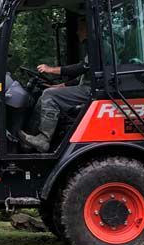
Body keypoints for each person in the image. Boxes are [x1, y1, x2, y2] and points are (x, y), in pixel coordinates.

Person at [19, 17, 92, 153]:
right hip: (87, 88)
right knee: (44, 95)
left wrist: (51, 69)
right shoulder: (92, 48)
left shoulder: (97, 46)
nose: (77, 32)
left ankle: (43, 139)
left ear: (89, 29)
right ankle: (29, 140)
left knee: (49, 96)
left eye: (80, 29)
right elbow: (83, 77)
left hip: (91, 91)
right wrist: (60, 86)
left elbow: (81, 68)